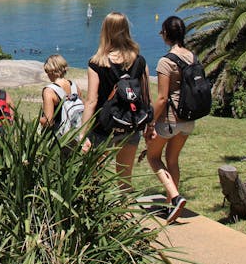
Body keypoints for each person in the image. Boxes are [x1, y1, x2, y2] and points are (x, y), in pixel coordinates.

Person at [81, 12, 150, 187]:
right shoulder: (140, 61)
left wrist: (82, 133)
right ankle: (126, 212)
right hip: (130, 125)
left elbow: (91, 101)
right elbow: (145, 96)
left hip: (103, 128)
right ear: (126, 30)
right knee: (125, 179)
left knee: (93, 178)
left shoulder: (97, 63)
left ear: (105, 31)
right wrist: (151, 124)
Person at [145, 16, 191, 224]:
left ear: (166, 34)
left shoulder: (166, 61)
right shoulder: (192, 56)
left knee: (153, 157)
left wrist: (150, 122)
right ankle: (172, 206)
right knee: (173, 160)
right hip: (188, 119)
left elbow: (162, 98)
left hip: (169, 120)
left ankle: (175, 196)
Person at [39, 54, 80, 133]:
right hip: (74, 133)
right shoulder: (74, 86)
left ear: (51, 71)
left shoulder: (49, 91)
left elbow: (48, 121)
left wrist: (37, 120)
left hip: (58, 135)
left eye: (47, 72)